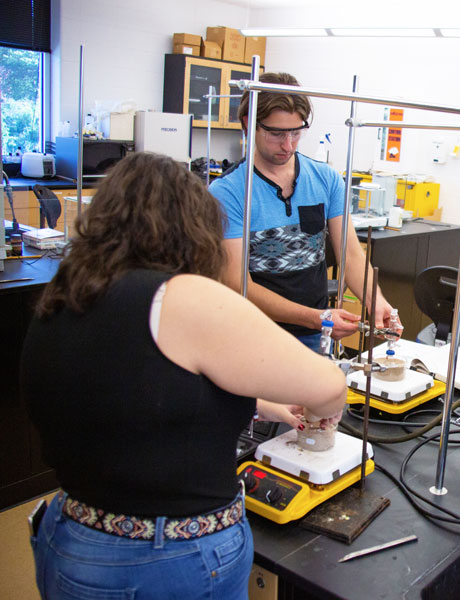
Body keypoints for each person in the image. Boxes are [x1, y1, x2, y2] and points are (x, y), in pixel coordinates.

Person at [21, 152, 347, 600]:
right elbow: (329, 386)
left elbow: (139, 389)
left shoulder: (68, 291)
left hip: (73, 534)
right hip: (165, 557)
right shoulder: (182, 296)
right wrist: (321, 418)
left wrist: (268, 405)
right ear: (192, 226)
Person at [209, 71, 401, 350]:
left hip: (314, 337)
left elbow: (350, 255)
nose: (288, 145)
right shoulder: (228, 192)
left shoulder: (326, 179)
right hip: (251, 337)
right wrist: (317, 318)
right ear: (249, 124)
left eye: (296, 133)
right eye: (276, 134)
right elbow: (239, 284)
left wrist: (377, 302)